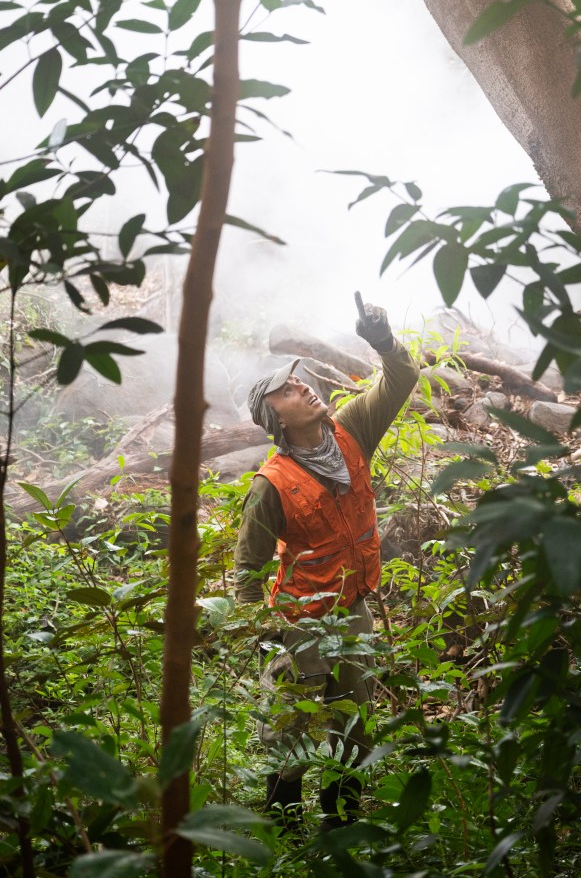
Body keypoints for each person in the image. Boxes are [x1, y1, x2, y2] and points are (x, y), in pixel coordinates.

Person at [234, 302, 419, 831]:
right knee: (288, 734)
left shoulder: (351, 428)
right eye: (287, 391)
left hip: (354, 612)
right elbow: (247, 571)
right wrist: (264, 634)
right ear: (276, 418)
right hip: (299, 625)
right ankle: (286, 832)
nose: (304, 387)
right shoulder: (271, 485)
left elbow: (402, 378)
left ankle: (342, 828)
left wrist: (382, 339)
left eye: (301, 382)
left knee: (354, 728)